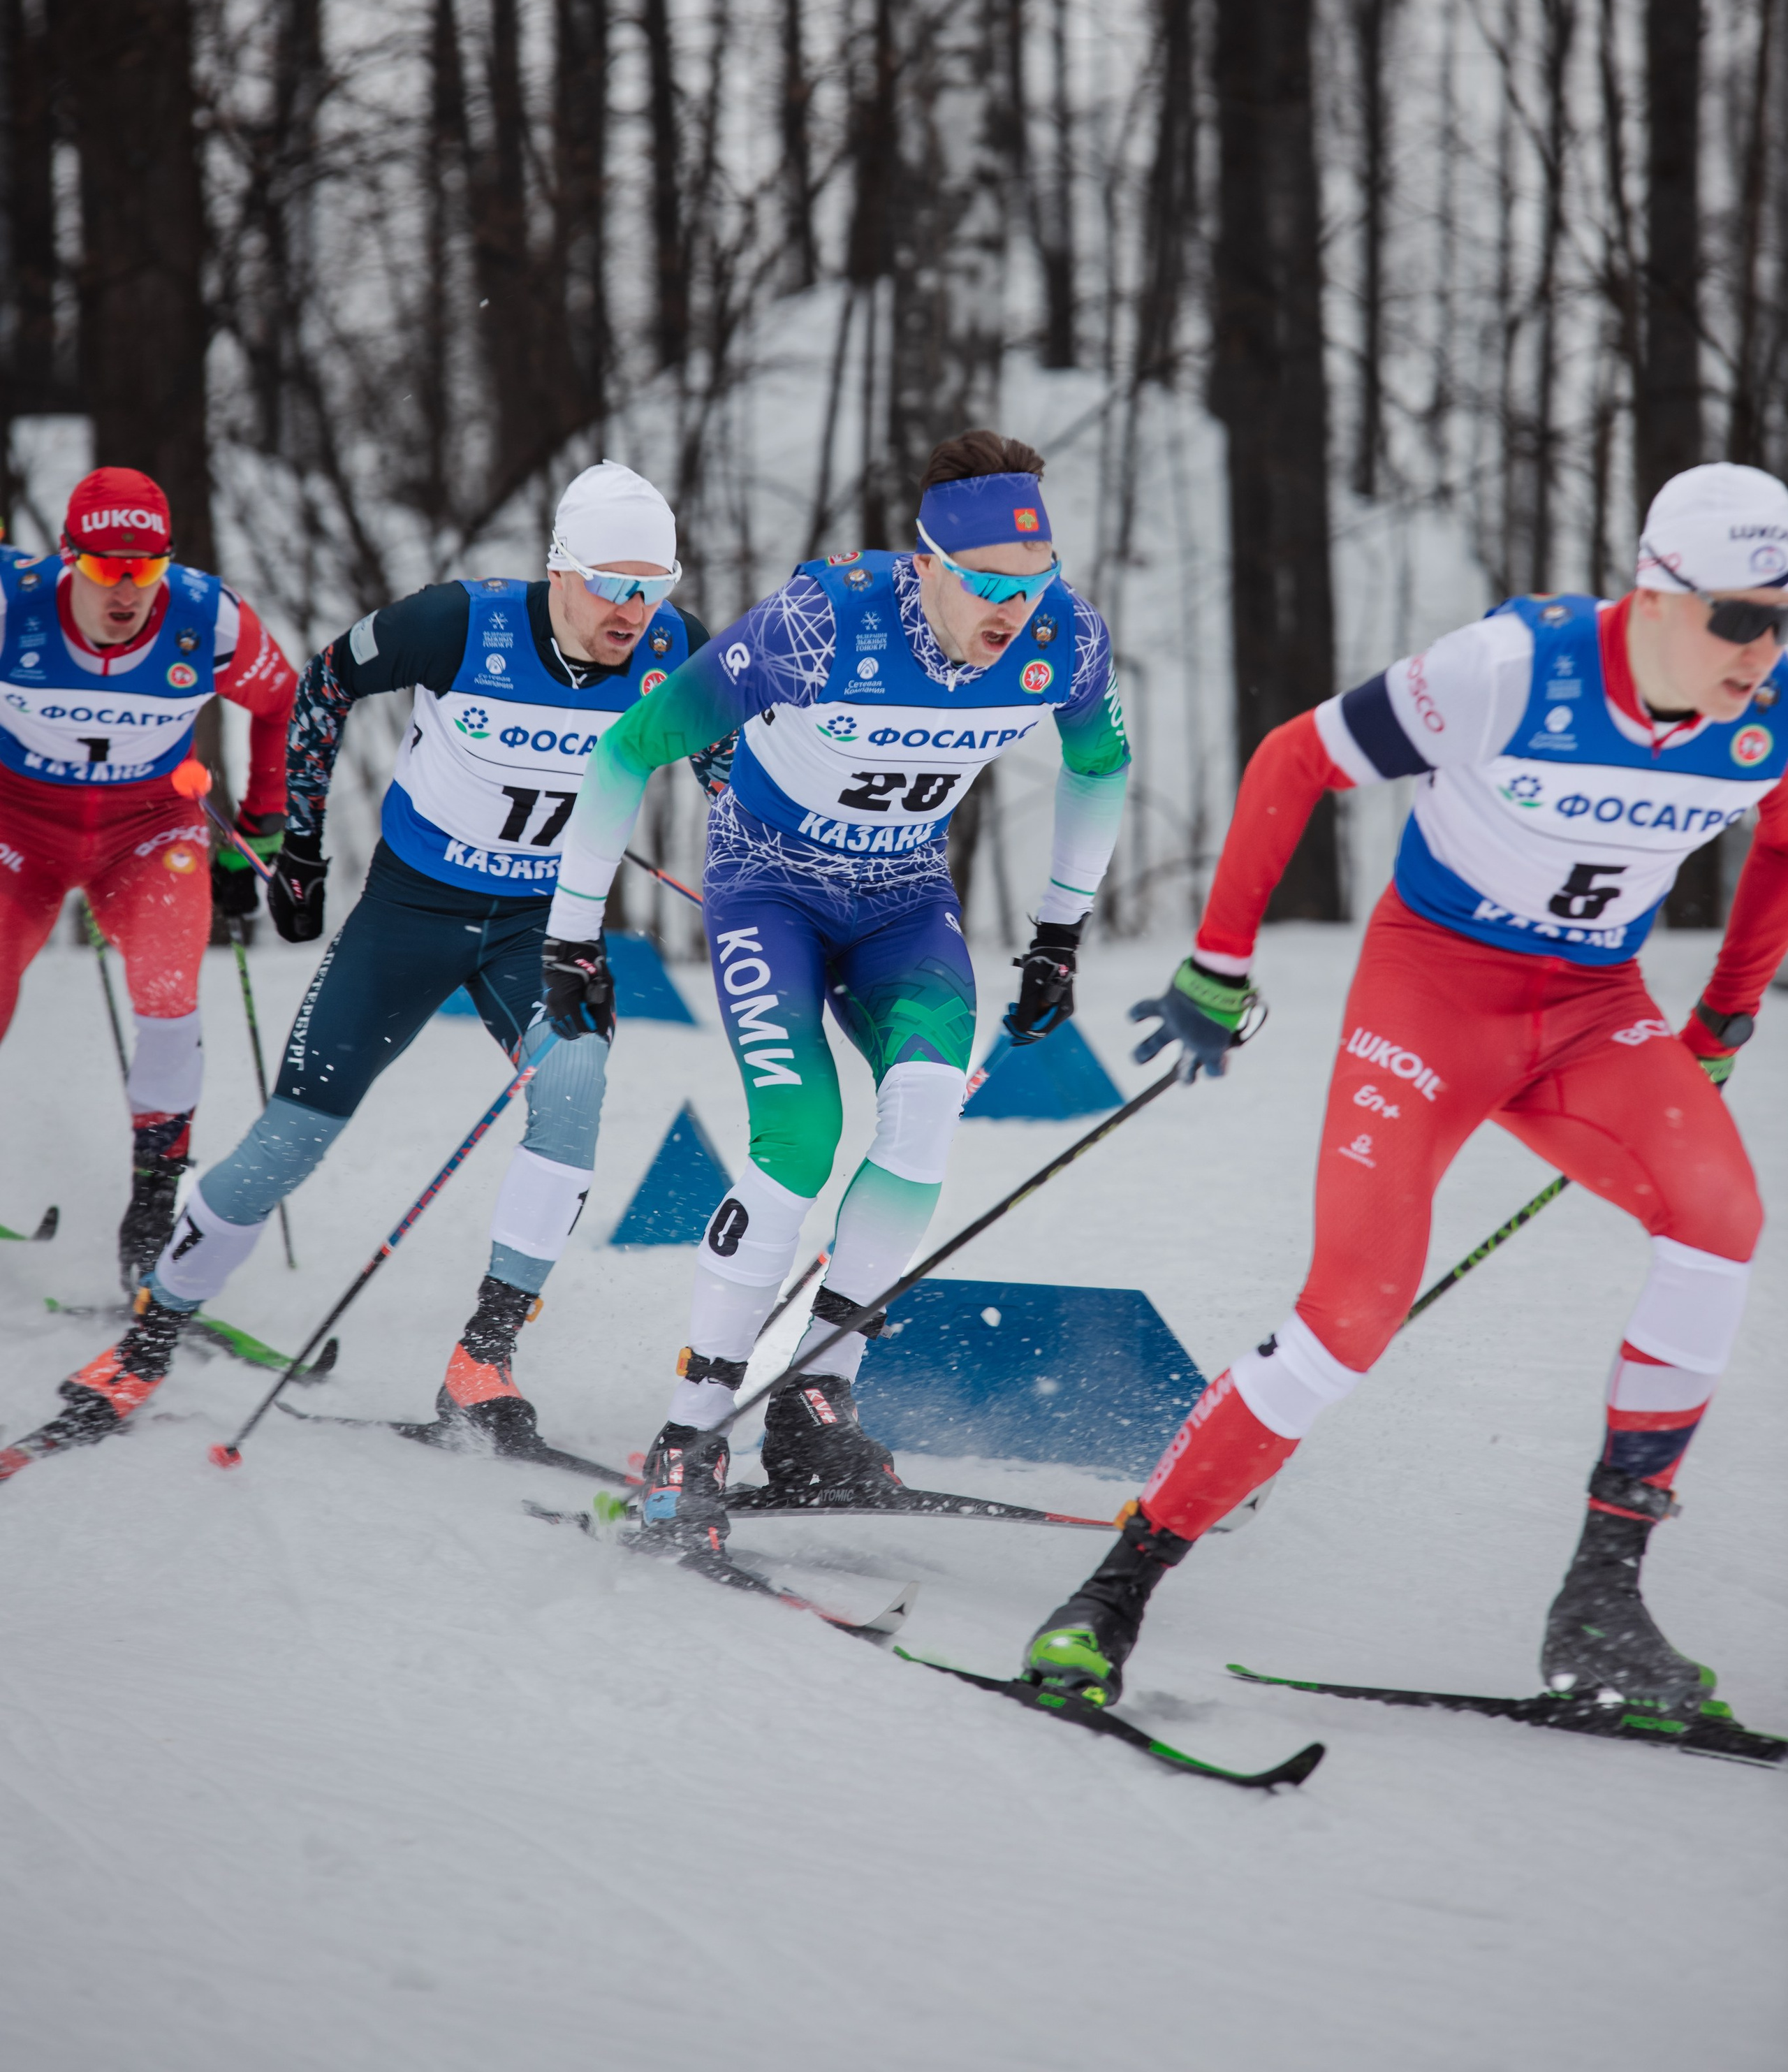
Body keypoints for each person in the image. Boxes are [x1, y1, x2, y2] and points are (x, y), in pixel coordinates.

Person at [1021, 460, 1788, 1721]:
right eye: (1741, 619)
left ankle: (1602, 1602)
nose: (1762, 653)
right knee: (1356, 1308)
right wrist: (1217, 966)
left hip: (1594, 1009)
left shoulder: (1774, 707)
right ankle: (1113, 1594)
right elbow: (1292, 760)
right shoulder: (1510, 668)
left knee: (1722, 1224)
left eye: (1783, 619)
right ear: (1658, 594)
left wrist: (1728, 1010)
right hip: (1434, 993)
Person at [43, 463, 723, 1459]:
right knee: (292, 1138)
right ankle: (152, 1333)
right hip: (411, 913)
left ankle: (482, 1361)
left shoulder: (676, 651)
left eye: (653, 586)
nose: (636, 609)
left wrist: (764, 891)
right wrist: (303, 850)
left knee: (575, 1079)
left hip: (537, 924)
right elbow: (323, 683)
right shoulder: (461, 624)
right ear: (561, 572)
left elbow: (730, 774)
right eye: (615, 584)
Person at [540, 430, 1131, 1539]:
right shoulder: (826, 623)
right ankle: (692, 1425)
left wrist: (1059, 936)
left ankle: (816, 1393)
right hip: (771, 892)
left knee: (919, 1132)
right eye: (987, 585)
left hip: (905, 905)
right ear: (927, 566)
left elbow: (1100, 768)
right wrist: (573, 941)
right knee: (802, 1134)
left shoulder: (1068, 637)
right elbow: (629, 751)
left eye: (1032, 583)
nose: (1011, 611)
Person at [0, 467, 296, 1285]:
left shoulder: (209, 618)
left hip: (148, 829)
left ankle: (154, 1202)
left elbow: (279, 704)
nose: (127, 589)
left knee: (171, 991)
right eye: (104, 567)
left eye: (146, 565)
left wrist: (261, 832)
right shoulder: (11, 604)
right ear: (69, 558)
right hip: (18, 829)